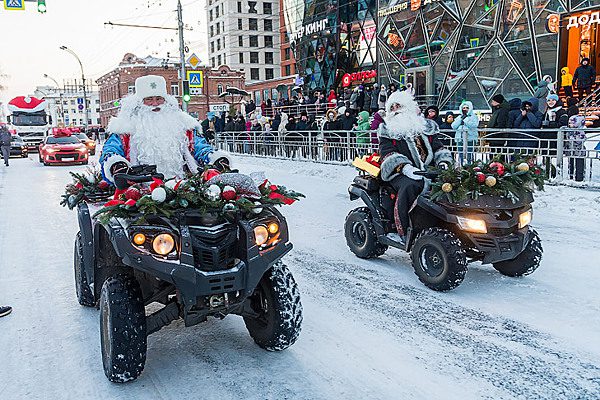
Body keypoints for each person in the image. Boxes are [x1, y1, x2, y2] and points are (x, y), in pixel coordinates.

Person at [99, 75, 231, 184]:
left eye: (159, 99)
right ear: (139, 102)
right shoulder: (125, 128)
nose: (155, 104)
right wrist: (117, 165)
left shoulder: (183, 125)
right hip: (141, 193)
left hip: (183, 188)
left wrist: (215, 158)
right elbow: (111, 150)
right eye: (149, 99)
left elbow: (200, 147)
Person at [378, 90, 452, 243]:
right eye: (392, 108)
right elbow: (387, 152)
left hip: (428, 169)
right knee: (411, 186)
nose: (395, 111)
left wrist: (444, 163)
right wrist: (405, 167)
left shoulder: (425, 127)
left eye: (398, 106)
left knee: (449, 183)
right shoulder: (387, 130)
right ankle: (403, 229)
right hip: (401, 172)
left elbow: (438, 148)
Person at [565, 115, 587, 182]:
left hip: (579, 151)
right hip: (571, 150)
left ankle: (579, 178)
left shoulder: (580, 131)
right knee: (571, 163)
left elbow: (579, 140)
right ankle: (571, 176)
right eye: (569, 123)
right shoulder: (570, 130)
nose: (570, 125)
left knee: (579, 165)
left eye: (572, 123)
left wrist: (572, 137)